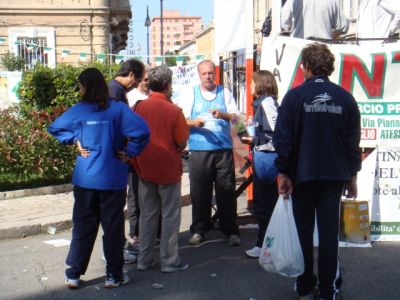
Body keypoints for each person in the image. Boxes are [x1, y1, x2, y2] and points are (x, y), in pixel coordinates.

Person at [273, 43, 361, 300]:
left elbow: (283, 140)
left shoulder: (294, 97)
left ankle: (304, 286)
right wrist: (352, 175)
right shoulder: (345, 98)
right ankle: (327, 290)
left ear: (306, 67)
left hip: (302, 176)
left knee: (302, 231)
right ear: (329, 68)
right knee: (328, 234)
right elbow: (351, 142)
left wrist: (283, 173)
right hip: (333, 177)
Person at [48, 67, 150, 289]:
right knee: (112, 229)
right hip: (112, 179)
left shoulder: (79, 110)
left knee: (83, 227)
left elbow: (55, 128)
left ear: (85, 86)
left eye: (81, 85)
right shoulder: (118, 110)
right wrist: (130, 152)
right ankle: (114, 275)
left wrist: (74, 138)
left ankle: (74, 274)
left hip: (85, 179)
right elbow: (143, 131)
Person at [131, 66, 190, 272]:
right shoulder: (174, 111)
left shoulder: (138, 107)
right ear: (168, 85)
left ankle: (144, 260)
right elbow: (182, 141)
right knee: (170, 216)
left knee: (147, 215)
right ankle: (169, 260)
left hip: (144, 167)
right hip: (168, 169)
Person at [178, 59, 241, 246]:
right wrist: (193, 122)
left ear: (215, 74)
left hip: (223, 150)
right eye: (204, 73)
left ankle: (230, 230)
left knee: (226, 192)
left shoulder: (225, 92)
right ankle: (199, 230)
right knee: (199, 193)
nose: (208, 76)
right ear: (199, 75)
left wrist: (223, 115)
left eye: (210, 73)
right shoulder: (191, 93)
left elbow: (238, 120)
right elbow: (180, 119)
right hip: (199, 150)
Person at [107, 58, 145, 264]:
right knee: (114, 208)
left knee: (115, 208)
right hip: (115, 158)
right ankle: (116, 251)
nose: (137, 84)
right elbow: (118, 125)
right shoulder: (115, 92)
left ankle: (118, 246)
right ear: (131, 75)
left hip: (114, 156)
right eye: (137, 79)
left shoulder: (114, 90)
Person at [241, 70, 279, 258]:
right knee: (263, 203)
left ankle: (264, 244)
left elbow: (276, 134)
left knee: (265, 204)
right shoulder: (261, 104)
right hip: (262, 158)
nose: (249, 86)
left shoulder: (267, 103)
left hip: (267, 160)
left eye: (252, 82)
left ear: (261, 84)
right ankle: (265, 243)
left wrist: (254, 140)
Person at [123, 66, 150, 261]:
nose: (147, 82)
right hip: (134, 154)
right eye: (145, 79)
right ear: (138, 79)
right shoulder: (130, 97)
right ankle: (135, 232)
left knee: (149, 194)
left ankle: (150, 232)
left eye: (149, 79)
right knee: (134, 194)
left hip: (151, 153)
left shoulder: (153, 97)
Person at [281, 0, 349, 40]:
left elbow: (283, 24)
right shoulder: (331, 1)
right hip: (323, 49)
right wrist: (331, 38)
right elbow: (344, 26)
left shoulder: (293, 1)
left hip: (299, 48)